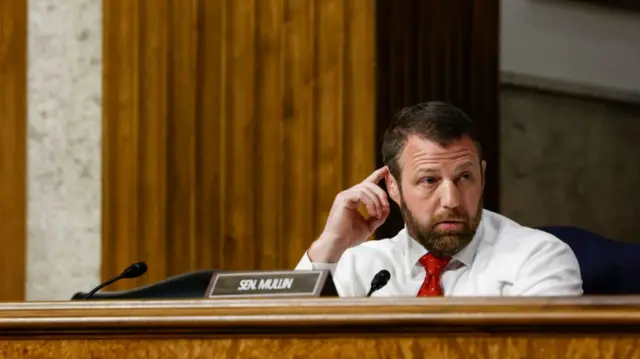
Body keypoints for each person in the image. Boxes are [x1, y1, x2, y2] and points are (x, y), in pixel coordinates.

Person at [295, 102, 583, 297]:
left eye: (464, 177)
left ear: (482, 176)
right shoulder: (361, 266)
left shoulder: (538, 259)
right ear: (393, 188)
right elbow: (286, 346)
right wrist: (329, 246)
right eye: (429, 180)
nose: (451, 200)